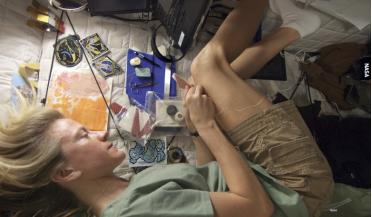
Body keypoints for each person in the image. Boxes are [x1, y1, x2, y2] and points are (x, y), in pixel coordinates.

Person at [0, 0, 333, 217]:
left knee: (202, 89)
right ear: (65, 173)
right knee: (206, 66)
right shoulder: (134, 212)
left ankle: (297, 26)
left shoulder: (119, 195)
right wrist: (209, 128)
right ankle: (289, 20)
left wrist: (194, 129)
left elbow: (210, 183)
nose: (99, 131)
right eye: (83, 134)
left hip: (265, 182)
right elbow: (255, 208)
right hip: (294, 189)